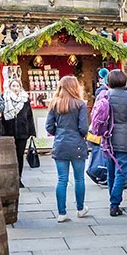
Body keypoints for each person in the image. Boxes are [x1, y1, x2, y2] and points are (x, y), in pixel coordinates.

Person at [99, 69, 127, 217]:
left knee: (111, 171)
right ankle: (115, 203)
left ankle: (112, 200)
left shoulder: (104, 96)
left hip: (107, 138)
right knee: (121, 172)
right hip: (124, 138)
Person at [46, 76, 91, 222]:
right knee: (79, 179)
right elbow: (83, 128)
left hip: (60, 144)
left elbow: (49, 127)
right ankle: (80, 208)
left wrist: (59, 133)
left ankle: (62, 213)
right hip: (77, 144)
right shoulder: (80, 104)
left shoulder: (54, 104)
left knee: (62, 179)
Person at [0, 76, 36, 176]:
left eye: (17, 86)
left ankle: (18, 177)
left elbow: (29, 116)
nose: (15, 88)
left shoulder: (25, 100)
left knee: (20, 155)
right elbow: (1, 116)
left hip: (22, 132)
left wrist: (32, 132)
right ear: (9, 87)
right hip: (8, 132)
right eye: (13, 86)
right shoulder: (4, 98)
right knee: (9, 156)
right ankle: (9, 177)